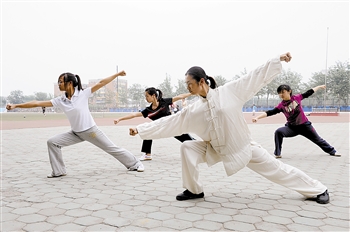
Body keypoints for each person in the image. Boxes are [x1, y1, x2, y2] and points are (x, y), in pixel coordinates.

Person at [129, 52, 330, 204]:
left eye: (189, 83)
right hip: (216, 149)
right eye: (186, 84)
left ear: (201, 81)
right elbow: (170, 122)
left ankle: (318, 189)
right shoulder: (194, 109)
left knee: (277, 170)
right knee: (187, 148)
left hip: (242, 147)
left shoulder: (229, 92)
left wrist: (276, 60)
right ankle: (194, 190)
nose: (187, 87)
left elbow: (254, 77)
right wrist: (141, 129)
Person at [6, 71, 144, 177]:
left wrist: (118, 74)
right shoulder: (61, 100)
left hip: (91, 131)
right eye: (58, 82)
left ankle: (135, 163)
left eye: (61, 81)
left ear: (70, 83)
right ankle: (59, 171)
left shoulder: (83, 93)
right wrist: (16, 105)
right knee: (52, 142)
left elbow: (102, 83)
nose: (59, 84)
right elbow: (37, 103)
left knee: (112, 148)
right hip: (76, 133)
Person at [252, 84, 340, 158]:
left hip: (305, 126)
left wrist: (319, 86)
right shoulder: (281, 106)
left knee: (318, 140)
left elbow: (309, 92)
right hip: (292, 128)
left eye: (283, 92)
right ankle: (277, 153)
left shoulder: (297, 98)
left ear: (289, 91)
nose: (281, 95)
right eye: (279, 93)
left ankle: (332, 151)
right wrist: (257, 118)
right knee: (278, 132)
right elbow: (270, 112)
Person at [114, 87, 195, 161]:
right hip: (159, 128)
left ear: (153, 96)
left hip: (171, 126)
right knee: (148, 130)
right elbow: (134, 115)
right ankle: (147, 154)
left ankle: (200, 147)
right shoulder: (148, 110)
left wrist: (193, 92)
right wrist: (119, 119)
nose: (146, 98)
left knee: (189, 141)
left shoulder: (164, 102)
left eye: (147, 96)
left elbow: (180, 96)